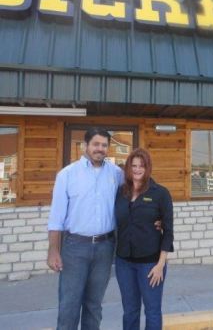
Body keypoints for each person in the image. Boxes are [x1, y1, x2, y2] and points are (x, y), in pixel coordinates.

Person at [47, 127, 124, 330]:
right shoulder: (67, 175)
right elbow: (56, 218)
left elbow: (135, 196)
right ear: (85, 146)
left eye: (104, 145)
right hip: (74, 248)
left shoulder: (116, 174)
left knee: (94, 305)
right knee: (69, 305)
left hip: (105, 247)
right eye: (96, 144)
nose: (100, 148)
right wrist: (54, 251)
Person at [115, 148, 174, 330]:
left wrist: (160, 265)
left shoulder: (160, 193)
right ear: (128, 168)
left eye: (141, 165)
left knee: (152, 310)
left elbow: (168, 231)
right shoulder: (120, 192)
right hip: (124, 263)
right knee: (130, 311)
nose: (137, 169)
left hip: (151, 264)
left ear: (148, 168)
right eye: (133, 165)